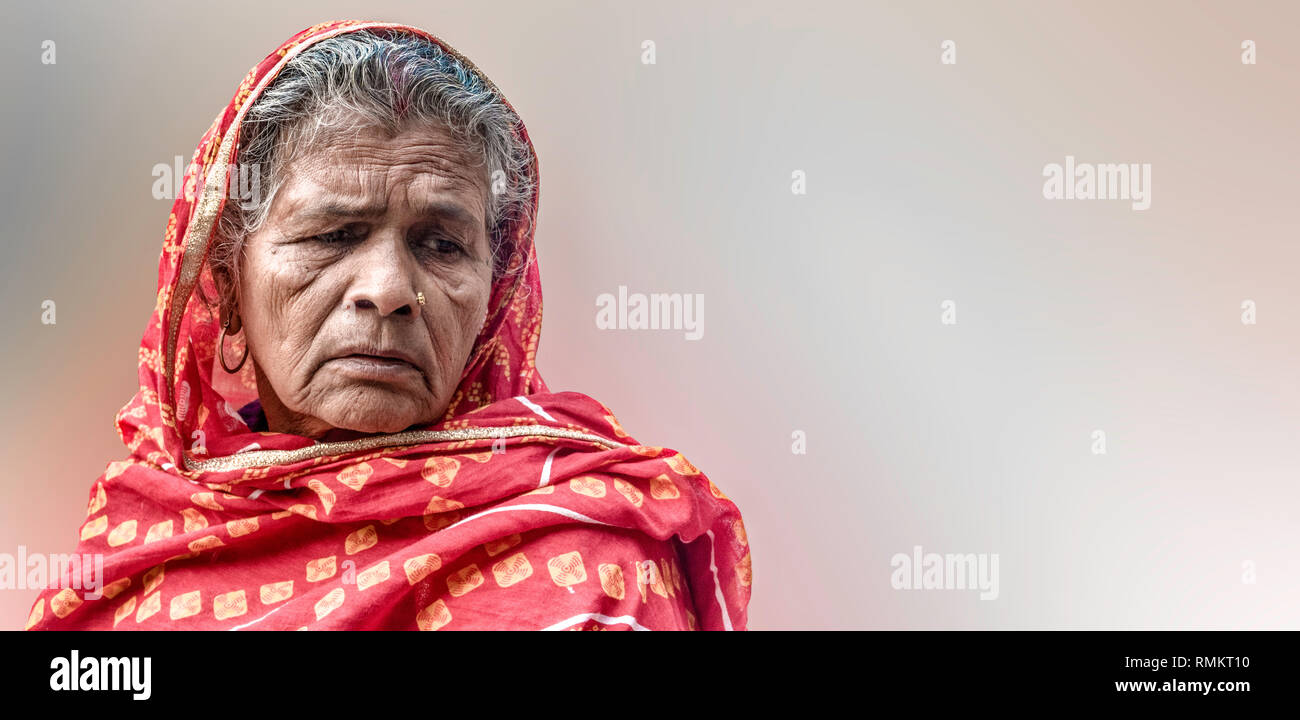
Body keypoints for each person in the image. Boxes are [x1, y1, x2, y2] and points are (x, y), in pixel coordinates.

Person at [25, 20, 751, 630]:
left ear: (494, 300)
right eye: (334, 234)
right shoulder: (140, 550)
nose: (389, 290)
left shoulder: (593, 555)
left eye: (441, 245)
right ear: (229, 292)